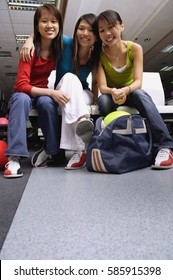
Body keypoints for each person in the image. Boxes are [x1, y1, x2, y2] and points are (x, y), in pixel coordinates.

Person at [20, 13, 100, 170]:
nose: (85, 33)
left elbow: (96, 81)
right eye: (81, 28)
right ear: (76, 30)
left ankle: (79, 148)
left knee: (71, 100)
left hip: (83, 94)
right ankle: (80, 143)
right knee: (70, 79)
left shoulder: (96, 55)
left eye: (90, 30)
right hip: (61, 91)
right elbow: (43, 33)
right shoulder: (65, 43)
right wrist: (29, 41)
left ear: (96, 36)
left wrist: (96, 100)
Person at [96, 9, 173, 169]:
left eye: (111, 27)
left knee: (141, 94)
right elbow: (102, 87)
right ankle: (114, 142)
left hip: (131, 92)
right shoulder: (100, 55)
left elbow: (138, 82)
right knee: (103, 100)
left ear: (121, 26)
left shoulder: (135, 48)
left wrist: (125, 90)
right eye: (102, 30)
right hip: (112, 94)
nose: (107, 33)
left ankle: (165, 146)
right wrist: (114, 92)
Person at [4, 4, 66, 178]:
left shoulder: (58, 48)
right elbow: (22, 84)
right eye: (44, 21)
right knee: (22, 99)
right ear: (37, 25)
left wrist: (30, 36)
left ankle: (50, 151)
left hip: (41, 93)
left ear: (59, 25)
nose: (49, 25)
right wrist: (30, 40)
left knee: (47, 103)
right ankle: (15, 157)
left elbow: (81, 39)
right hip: (23, 92)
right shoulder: (29, 50)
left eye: (54, 21)